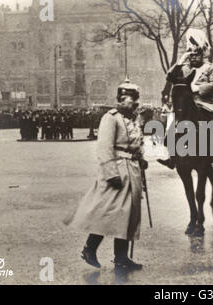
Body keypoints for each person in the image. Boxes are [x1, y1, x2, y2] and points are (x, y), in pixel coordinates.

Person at [64, 80, 147, 277]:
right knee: (107, 212)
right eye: (129, 100)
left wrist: (141, 159)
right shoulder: (111, 118)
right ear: (120, 100)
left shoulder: (134, 119)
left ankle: (121, 258)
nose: (133, 103)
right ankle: (89, 249)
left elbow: (136, 143)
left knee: (129, 215)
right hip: (117, 171)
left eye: (135, 100)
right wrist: (111, 174)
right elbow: (104, 148)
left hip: (133, 170)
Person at [157, 28, 213, 169]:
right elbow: (170, 77)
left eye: (196, 55)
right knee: (172, 120)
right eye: (191, 55)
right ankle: (171, 156)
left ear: (202, 55)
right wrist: (181, 60)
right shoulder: (185, 68)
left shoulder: (209, 67)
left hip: (207, 103)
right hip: (188, 102)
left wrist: (199, 89)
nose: (193, 58)